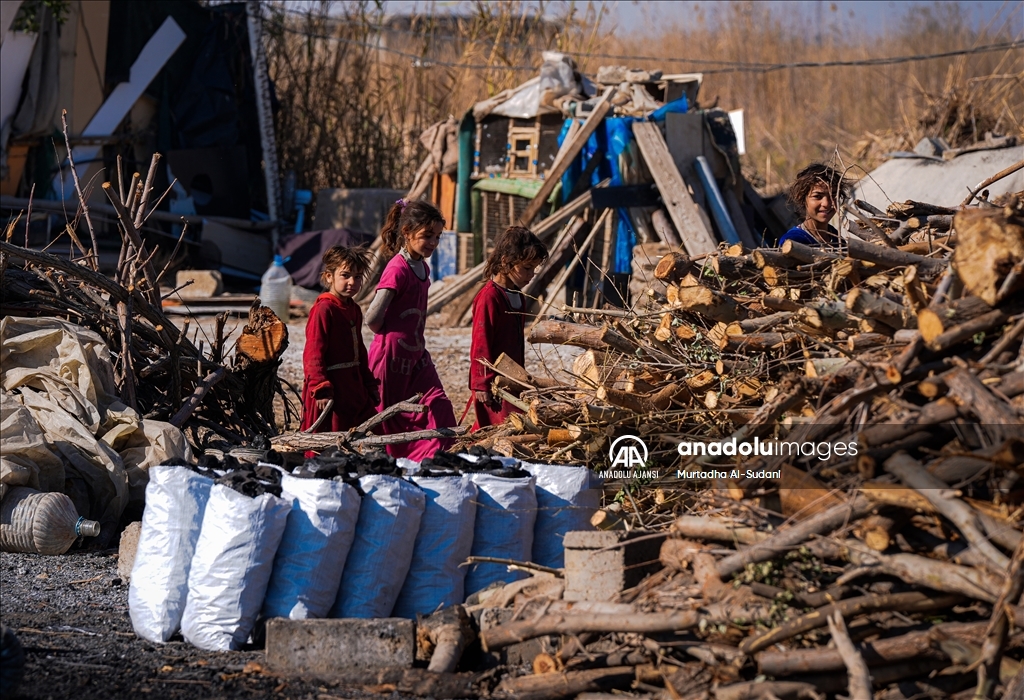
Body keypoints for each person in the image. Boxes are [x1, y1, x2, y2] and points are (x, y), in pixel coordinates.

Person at [365, 199, 457, 461]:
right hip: (391, 356)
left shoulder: (423, 267)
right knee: (389, 414)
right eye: (427, 236)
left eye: (437, 237)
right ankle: (398, 460)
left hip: (416, 354)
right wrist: (392, 333)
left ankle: (437, 456)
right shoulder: (397, 268)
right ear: (407, 233)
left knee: (437, 401)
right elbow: (372, 317)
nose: (433, 243)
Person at [467, 226, 548, 431]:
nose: (531, 275)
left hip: (512, 380)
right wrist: (481, 384)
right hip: (493, 385)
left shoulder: (518, 297)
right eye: (527, 268)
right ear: (505, 262)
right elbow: (480, 344)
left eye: (534, 269)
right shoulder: (489, 297)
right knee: (496, 428)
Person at [300, 245, 379, 434]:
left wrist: (369, 384)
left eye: (358, 277)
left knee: (364, 435)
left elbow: (359, 352)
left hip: (353, 387)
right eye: (345, 275)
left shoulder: (354, 309)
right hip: (332, 389)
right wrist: (321, 389)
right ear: (329, 277)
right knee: (331, 440)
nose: (352, 282)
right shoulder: (324, 309)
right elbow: (313, 353)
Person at [779, 163, 850, 247]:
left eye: (833, 195)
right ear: (801, 198)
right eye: (817, 196)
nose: (826, 204)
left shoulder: (836, 238)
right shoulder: (793, 241)